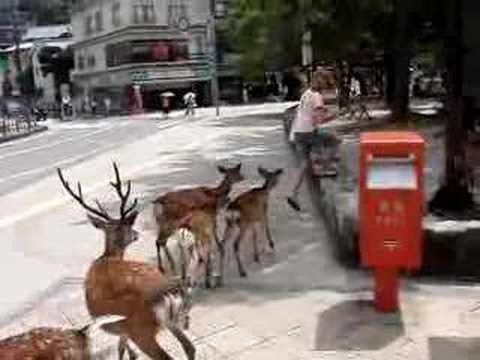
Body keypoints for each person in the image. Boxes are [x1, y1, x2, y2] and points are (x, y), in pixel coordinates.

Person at [287, 70, 336, 212]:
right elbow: (318, 120)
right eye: (327, 84)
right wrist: (332, 116)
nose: (327, 88)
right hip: (307, 133)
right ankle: (327, 167)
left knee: (304, 164)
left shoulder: (307, 93)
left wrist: (322, 111)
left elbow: (306, 112)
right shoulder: (317, 97)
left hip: (297, 132)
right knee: (333, 140)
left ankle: (293, 193)